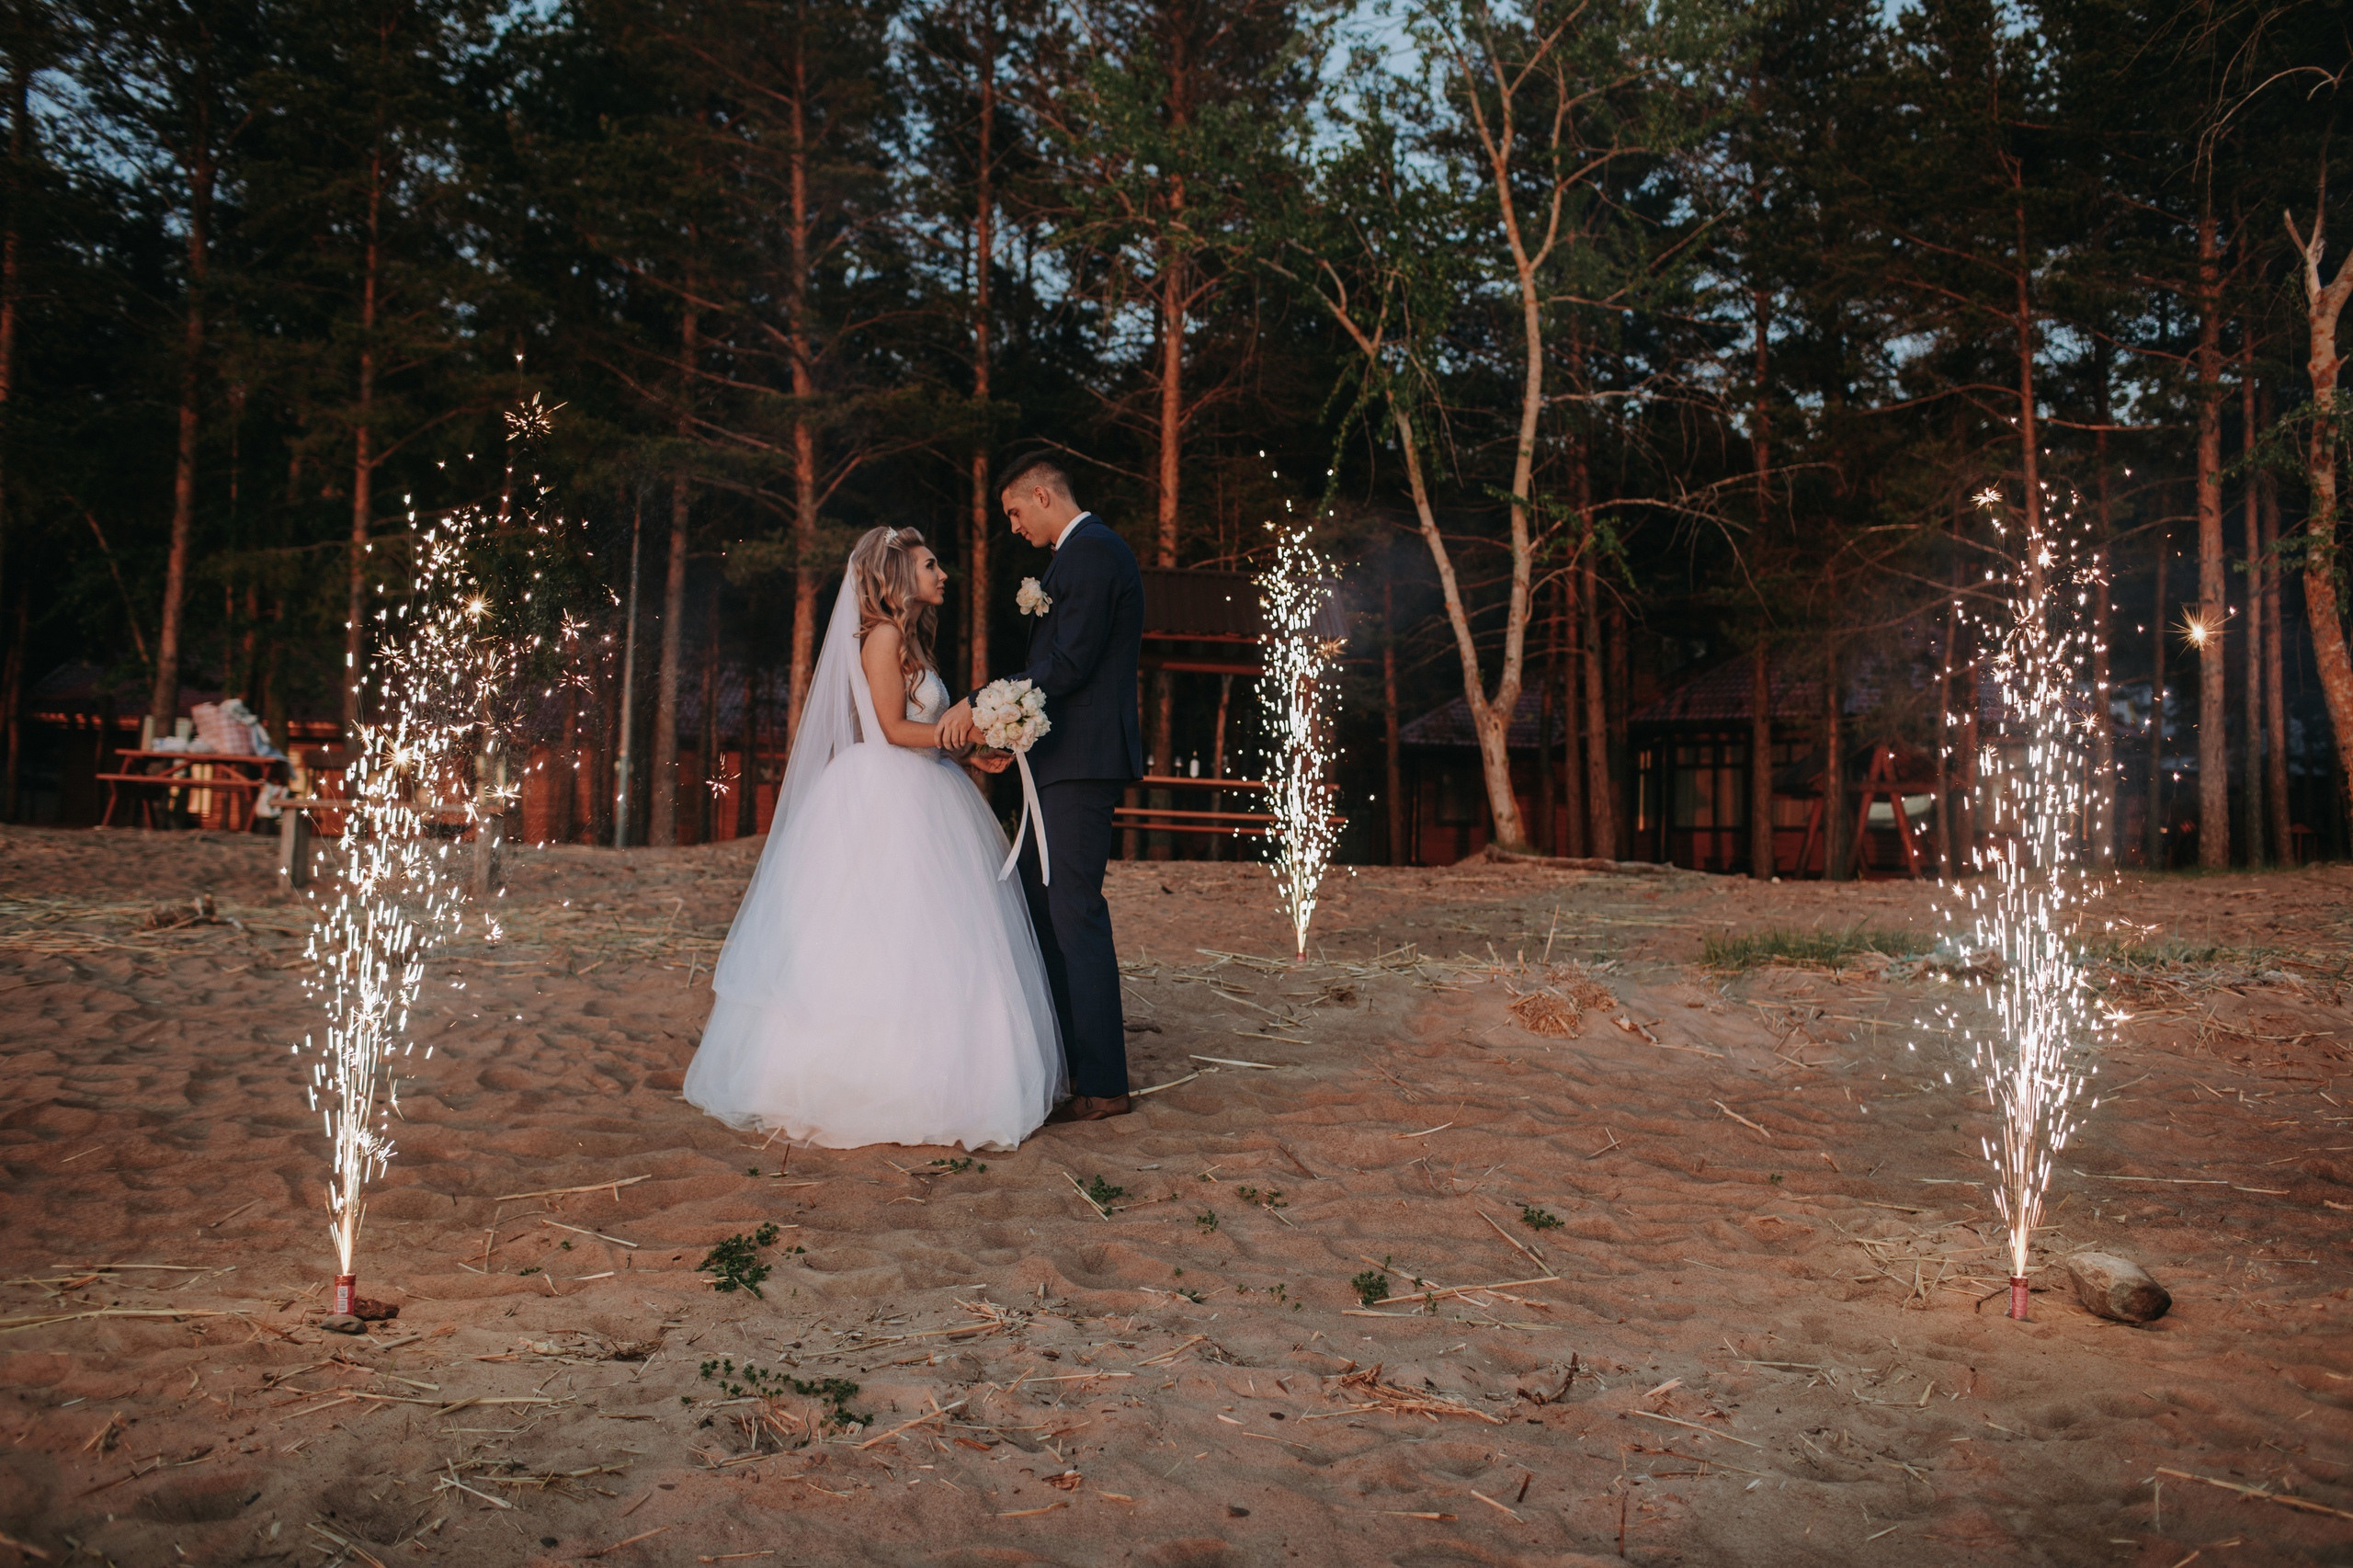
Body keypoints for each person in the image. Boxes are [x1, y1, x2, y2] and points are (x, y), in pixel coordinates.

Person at [685, 526, 1064, 1151]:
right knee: (885, 935)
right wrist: (967, 738)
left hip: (927, 786)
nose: (943, 575)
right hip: (890, 795)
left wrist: (971, 757)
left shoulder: (907, 638)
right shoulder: (884, 636)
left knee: (931, 937)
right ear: (897, 576)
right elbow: (889, 729)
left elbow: (921, 733)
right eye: (930, 565)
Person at [937, 454, 1144, 1123]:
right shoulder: (1078, 554)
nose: (1013, 526)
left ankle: (1104, 1081)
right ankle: (1068, 1065)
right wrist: (1005, 736)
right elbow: (1057, 669)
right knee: (1038, 903)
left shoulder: (1093, 553)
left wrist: (980, 704)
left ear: (1039, 492)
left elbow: (1069, 662)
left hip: (1081, 764)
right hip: (1057, 758)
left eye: (1014, 512)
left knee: (1072, 910)